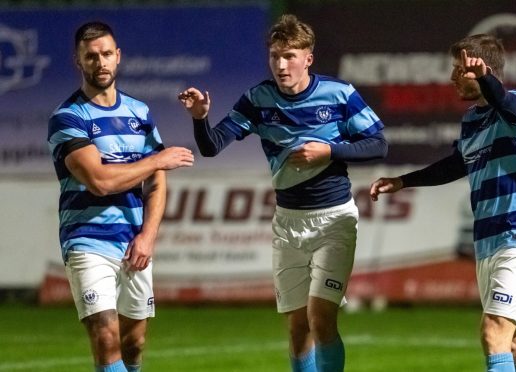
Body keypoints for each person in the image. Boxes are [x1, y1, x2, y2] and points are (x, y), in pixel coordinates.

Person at [178, 13, 387, 372]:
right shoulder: (258, 99)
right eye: (275, 55)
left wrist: (330, 150)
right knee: (296, 328)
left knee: (321, 318)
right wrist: (200, 118)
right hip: (287, 223)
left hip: (333, 220)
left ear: (308, 58)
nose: (281, 64)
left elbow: (379, 145)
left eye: (290, 55)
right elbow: (212, 147)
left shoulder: (340, 94)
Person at [369, 34, 516, 372]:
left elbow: (506, 104)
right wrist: (404, 181)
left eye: (459, 69)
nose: (453, 76)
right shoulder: (471, 120)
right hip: (488, 240)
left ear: (482, 70)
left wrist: (484, 78)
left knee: (493, 333)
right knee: (514, 344)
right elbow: (456, 164)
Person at [47, 21, 194, 372]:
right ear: (78, 61)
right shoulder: (68, 117)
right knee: (105, 335)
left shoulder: (139, 113)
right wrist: (157, 159)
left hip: (132, 242)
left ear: (119, 57)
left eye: (107, 54)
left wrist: (148, 236)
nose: (100, 63)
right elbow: (99, 181)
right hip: (86, 240)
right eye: (91, 56)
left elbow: (156, 183)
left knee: (133, 342)